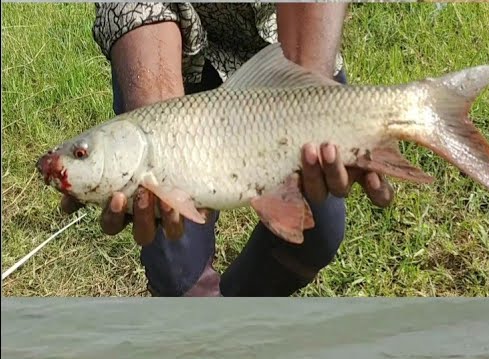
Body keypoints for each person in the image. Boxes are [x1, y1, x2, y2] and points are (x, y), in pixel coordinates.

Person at [66, 2, 393, 297]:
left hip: (282, 48)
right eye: (81, 154)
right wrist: (160, 115)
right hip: (171, 53)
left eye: (81, 153)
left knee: (318, 235)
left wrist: (308, 90)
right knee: (175, 268)